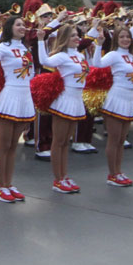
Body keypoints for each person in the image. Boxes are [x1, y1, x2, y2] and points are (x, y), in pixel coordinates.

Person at [0, 13, 36, 203]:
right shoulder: (3, 46)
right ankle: (0, 187)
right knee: (4, 144)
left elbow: (31, 73)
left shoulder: (25, 48)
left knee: (14, 145)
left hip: (24, 96)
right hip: (10, 96)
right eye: (18, 25)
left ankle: (8, 183)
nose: (22, 27)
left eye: (24, 25)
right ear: (10, 27)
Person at [37, 23, 88, 194]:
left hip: (77, 100)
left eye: (78, 35)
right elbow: (44, 61)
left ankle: (64, 176)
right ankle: (57, 179)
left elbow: (96, 66)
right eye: (73, 35)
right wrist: (40, 40)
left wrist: (101, 43)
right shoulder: (62, 56)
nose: (77, 38)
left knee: (66, 142)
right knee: (58, 141)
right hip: (64, 99)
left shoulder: (80, 56)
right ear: (65, 38)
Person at [92, 25, 133, 187]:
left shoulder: (132, 57)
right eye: (122, 37)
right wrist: (99, 45)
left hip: (129, 99)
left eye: (127, 37)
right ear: (116, 40)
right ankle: (112, 174)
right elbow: (97, 64)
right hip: (116, 99)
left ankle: (118, 172)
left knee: (121, 140)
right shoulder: (113, 55)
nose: (125, 39)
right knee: (114, 140)